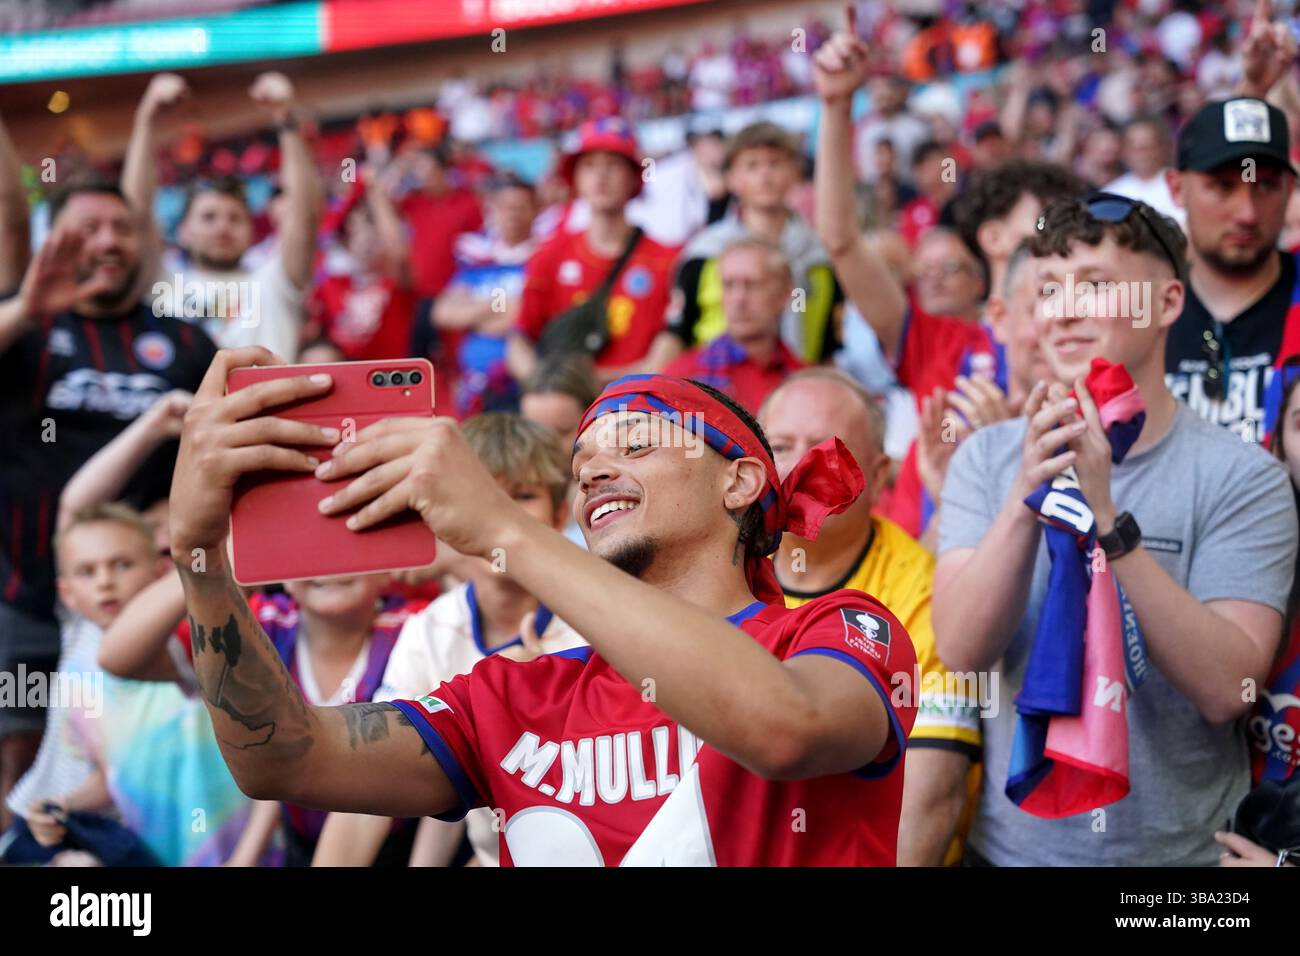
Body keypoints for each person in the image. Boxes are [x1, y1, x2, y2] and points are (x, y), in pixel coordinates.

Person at [167, 347, 918, 866]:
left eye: (636, 443)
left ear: (741, 481)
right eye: (583, 461)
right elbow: (283, 757)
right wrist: (199, 554)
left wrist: (503, 528)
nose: (594, 473)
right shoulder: (511, 692)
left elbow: (785, 728)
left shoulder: (840, 630)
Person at [935, 194, 1297, 865]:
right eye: (1047, 289)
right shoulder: (987, 458)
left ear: (1165, 304)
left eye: (1095, 286)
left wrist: (1108, 523)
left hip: (1180, 866)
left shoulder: (1242, 475)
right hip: (1010, 856)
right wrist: (1024, 495)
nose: (1062, 311)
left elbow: (1228, 691)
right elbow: (959, 647)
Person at [0, 182, 217, 828]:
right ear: (52, 241)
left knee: (142, 754)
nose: (106, 242)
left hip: (143, 595)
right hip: (23, 591)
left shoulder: (183, 341)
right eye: (86, 228)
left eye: (121, 228)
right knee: (18, 755)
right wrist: (23, 309)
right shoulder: (26, 329)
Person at [312, 413, 585, 867]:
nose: (501, 516)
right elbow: (379, 775)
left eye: (522, 496)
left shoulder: (593, 622)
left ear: (559, 514)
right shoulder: (428, 630)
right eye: (486, 498)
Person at [759, 368, 981, 866]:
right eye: (781, 445)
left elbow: (932, 799)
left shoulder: (925, 591)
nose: (800, 467)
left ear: (879, 476)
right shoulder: (719, 570)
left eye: (826, 448)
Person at [0, 505, 166, 865]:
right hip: (49, 812)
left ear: (160, 573)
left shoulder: (172, 659)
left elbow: (115, 776)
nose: (105, 581)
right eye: (87, 572)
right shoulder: (79, 631)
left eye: (122, 565)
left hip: (121, 830)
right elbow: (77, 502)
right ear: (68, 593)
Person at [121, 71, 322, 361]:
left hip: (267, 406)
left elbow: (305, 214)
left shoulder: (273, 282)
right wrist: (147, 119)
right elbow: (134, 214)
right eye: (209, 217)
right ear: (183, 231)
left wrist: (285, 116)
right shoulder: (161, 282)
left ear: (252, 232)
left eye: (235, 218)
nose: (223, 226)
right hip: (184, 406)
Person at [508, 119, 679, 386]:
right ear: (574, 178)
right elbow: (519, 339)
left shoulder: (666, 260)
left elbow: (671, 348)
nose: (601, 176)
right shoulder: (548, 255)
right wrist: (545, 386)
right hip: (565, 408)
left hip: (638, 405)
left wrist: (588, 383)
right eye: (589, 166)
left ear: (634, 177)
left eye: (613, 165)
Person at [1166, 96, 1297, 440]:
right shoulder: (1141, 316)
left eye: (1266, 186)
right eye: (1223, 186)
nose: (1247, 214)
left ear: (1290, 189)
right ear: (1176, 188)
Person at [668, 121, 841, 364]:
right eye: (751, 166)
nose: (765, 175)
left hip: (796, 387)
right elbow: (678, 334)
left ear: (795, 172)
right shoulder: (704, 254)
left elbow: (826, 347)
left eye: (775, 163)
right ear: (731, 178)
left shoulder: (817, 257)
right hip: (716, 388)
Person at [427, 172, 539, 417]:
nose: (513, 214)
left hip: (526, 388)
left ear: (535, 211)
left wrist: (474, 315)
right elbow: (442, 313)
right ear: (493, 211)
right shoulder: (478, 260)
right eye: (506, 207)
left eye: (520, 207)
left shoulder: (543, 259)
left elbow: (522, 317)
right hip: (476, 390)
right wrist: (497, 310)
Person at [663, 236, 803, 413]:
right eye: (729, 285)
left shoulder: (803, 379)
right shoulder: (680, 376)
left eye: (752, 285)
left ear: (783, 295)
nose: (739, 299)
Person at [306, 166, 415, 362]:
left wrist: (374, 190)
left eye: (371, 232)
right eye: (356, 232)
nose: (365, 239)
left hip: (393, 379)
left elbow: (396, 248)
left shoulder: (394, 281)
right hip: (348, 380)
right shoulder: (331, 286)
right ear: (346, 242)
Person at [1102, 116, 1183, 226]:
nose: (1142, 154)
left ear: (1162, 147)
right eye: (1136, 147)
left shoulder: (1182, 183)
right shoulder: (1111, 194)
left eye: (1148, 146)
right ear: (1124, 151)